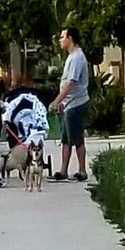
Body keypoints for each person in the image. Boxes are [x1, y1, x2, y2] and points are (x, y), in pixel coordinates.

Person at [51, 25, 89, 181]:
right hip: (69, 104)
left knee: (77, 138)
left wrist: (56, 100)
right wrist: (62, 101)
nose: (60, 40)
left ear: (70, 39)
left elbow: (72, 82)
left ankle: (82, 171)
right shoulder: (71, 57)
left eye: (62, 37)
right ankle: (63, 170)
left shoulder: (77, 58)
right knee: (66, 139)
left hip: (76, 103)